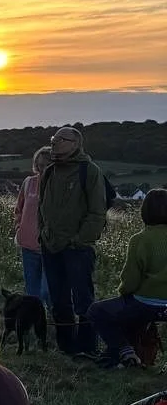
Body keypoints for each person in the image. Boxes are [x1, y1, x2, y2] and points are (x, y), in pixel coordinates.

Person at [37, 126, 107, 356]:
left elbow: (97, 212)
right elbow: (41, 207)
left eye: (60, 139)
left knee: (83, 300)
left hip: (77, 249)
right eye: (53, 139)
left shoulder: (89, 171)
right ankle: (66, 348)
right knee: (58, 301)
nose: (54, 143)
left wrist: (79, 240)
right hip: (50, 246)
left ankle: (87, 349)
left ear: (75, 144)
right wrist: (43, 234)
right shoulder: (49, 171)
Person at [87, 188, 167, 369]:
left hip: (145, 303)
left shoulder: (140, 240)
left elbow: (130, 280)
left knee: (97, 311)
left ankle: (124, 350)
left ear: (145, 211)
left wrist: (124, 293)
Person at [13, 147, 52, 303]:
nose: (43, 169)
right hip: (28, 244)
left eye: (47, 165)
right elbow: (18, 209)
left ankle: (50, 319)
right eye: (40, 165)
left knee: (46, 291)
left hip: (50, 246)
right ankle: (34, 320)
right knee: (32, 291)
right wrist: (18, 227)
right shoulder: (28, 182)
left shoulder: (59, 186)